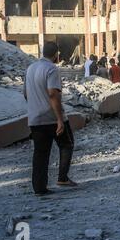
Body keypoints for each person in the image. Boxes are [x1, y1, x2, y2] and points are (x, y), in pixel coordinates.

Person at [24, 42, 77, 196]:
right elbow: (53, 94)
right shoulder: (51, 68)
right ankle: (62, 178)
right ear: (56, 55)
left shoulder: (30, 68)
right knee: (67, 144)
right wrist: (60, 119)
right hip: (51, 118)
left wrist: (35, 106)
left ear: (42, 52)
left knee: (40, 153)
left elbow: (26, 94)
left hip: (35, 119)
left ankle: (39, 188)